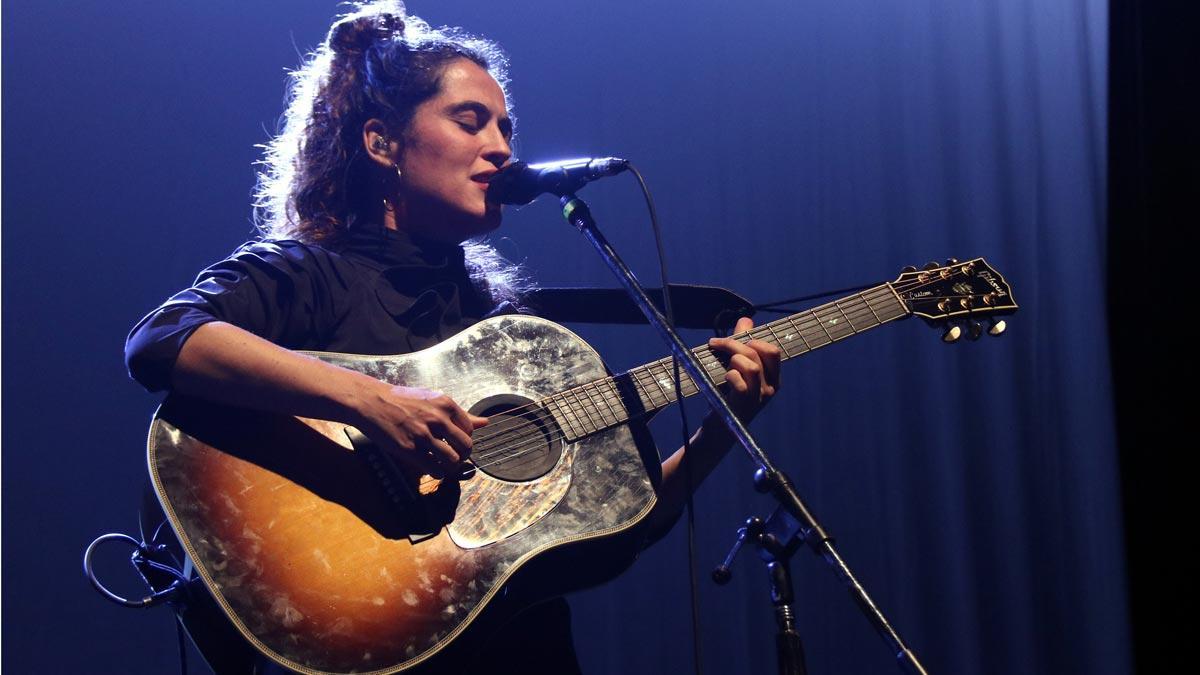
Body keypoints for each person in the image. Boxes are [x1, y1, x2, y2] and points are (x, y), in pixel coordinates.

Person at [125, 2, 781, 673]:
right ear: (382, 144)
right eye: (471, 121)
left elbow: (619, 525)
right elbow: (163, 338)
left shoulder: (511, 333)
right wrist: (368, 402)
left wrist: (724, 424)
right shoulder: (309, 274)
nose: (501, 146)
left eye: (505, 127)